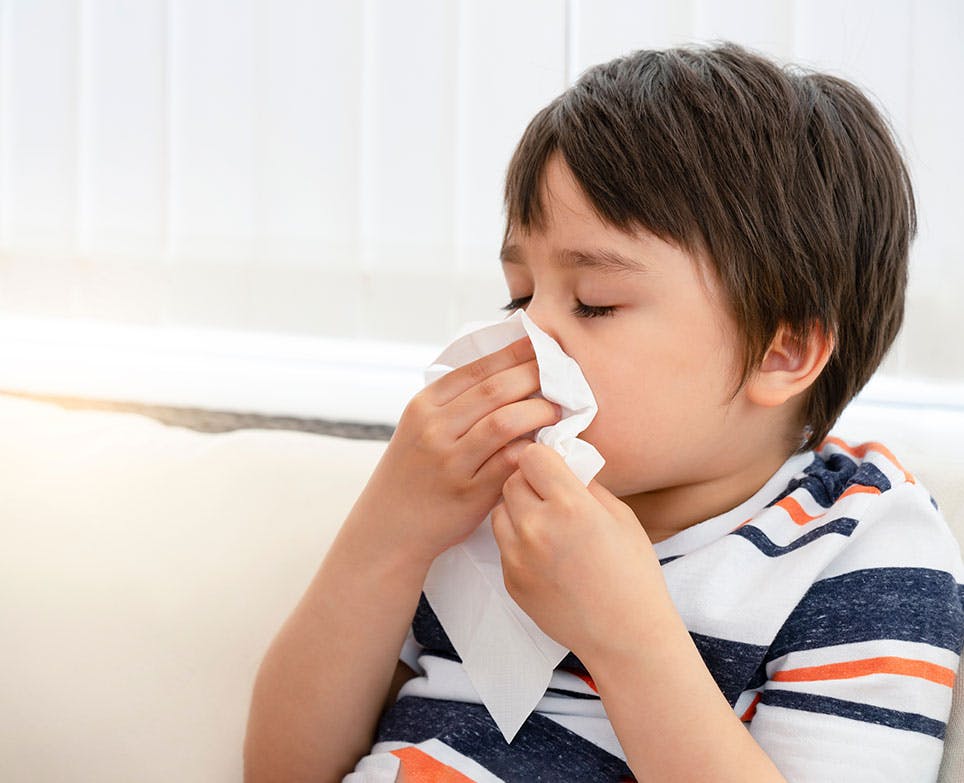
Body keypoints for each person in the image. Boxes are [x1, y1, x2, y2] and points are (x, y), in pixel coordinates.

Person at [243, 41, 964, 782]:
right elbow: (282, 769)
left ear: (782, 352)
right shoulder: (479, 505)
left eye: (595, 302)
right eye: (521, 295)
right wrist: (388, 533)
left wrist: (625, 635)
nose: (533, 334)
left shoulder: (856, 544)